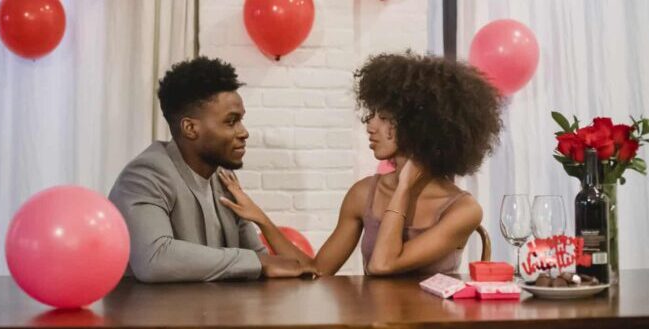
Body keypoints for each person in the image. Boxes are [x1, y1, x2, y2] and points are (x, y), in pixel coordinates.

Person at [218, 52, 503, 276]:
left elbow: (383, 264)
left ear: (418, 125)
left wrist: (403, 187)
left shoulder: (464, 209)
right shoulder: (362, 194)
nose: (370, 125)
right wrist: (261, 218)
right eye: (372, 114)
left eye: (383, 116)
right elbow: (317, 270)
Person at [109, 57, 317, 282]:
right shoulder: (146, 175)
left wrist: (260, 261)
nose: (243, 132)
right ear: (190, 128)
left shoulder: (223, 178)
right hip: (153, 315)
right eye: (231, 122)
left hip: (210, 313)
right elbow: (155, 259)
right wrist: (256, 263)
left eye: (241, 120)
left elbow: (257, 258)